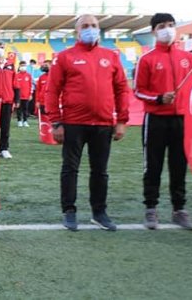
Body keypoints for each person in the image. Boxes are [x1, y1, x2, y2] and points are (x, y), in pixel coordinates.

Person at [46, 14, 130, 232]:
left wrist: (121, 120)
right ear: (77, 31)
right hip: (73, 123)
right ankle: (69, 211)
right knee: (70, 168)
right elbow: (52, 90)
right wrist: (55, 122)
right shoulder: (65, 57)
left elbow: (121, 88)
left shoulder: (110, 56)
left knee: (100, 171)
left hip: (103, 123)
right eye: (85, 26)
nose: (90, 29)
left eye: (94, 25)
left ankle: (99, 212)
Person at [134, 13, 192, 230]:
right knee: (153, 165)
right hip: (156, 120)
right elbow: (138, 91)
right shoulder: (147, 59)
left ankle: (179, 209)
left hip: (181, 120)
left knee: (179, 165)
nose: (167, 29)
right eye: (162, 26)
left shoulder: (188, 59)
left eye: (171, 25)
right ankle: (151, 209)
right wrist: (159, 99)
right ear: (154, 31)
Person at [14, 61, 33, 127]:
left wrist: (30, 94)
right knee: (19, 109)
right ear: (19, 66)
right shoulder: (16, 75)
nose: (23, 67)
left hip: (26, 95)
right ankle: (19, 121)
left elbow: (31, 85)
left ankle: (25, 121)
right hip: (19, 96)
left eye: (24, 65)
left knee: (25, 109)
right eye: (22, 65)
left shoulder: (29, 75)